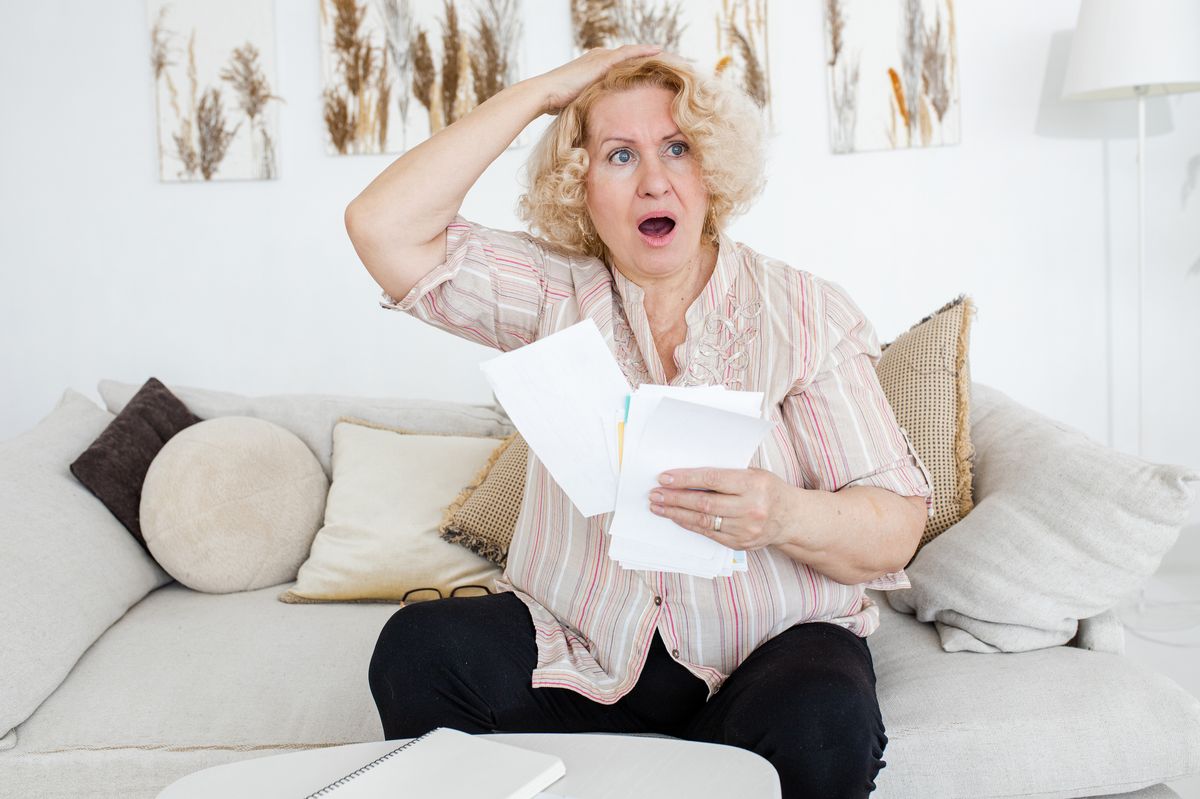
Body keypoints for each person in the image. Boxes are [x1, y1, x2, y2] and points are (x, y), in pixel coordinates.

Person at [346, 44, 934, 799]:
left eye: (678, 148)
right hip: (584, 657)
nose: (655, 178)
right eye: (620, 155)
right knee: (419, 648)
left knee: (823, 719)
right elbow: (382, 226)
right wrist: (543, 93)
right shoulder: (553, 294)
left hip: (765, 654)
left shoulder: (804, 312)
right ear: (580, 184)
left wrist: (781, 512)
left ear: (710, 172)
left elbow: (894, 525)